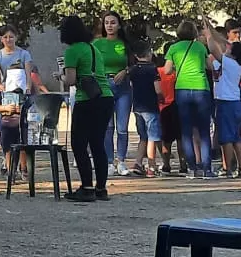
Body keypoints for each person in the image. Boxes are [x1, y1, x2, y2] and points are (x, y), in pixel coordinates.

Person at [59, 15, 113, 202]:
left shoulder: (72, 51)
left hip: (86, 99)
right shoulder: (94, 48)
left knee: (79, 144)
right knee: (98, 143)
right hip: (105, 96)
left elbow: (71, 79)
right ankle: (101, 188)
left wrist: (61, 76)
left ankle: (86, 187)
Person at [163, 20, 214, 179]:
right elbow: (209, 66)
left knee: (186, 131)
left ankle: (191, 168)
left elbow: (167, 69)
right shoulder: (200, 47)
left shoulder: (173, 48)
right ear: (193, 33)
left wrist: (178, 68)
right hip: (201, 88)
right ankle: (207, 168)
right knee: (204, 130)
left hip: (182, 89)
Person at [0, 28, 37, 176]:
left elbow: (29, 73)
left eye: (11, 37)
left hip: (22, 93)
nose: (8, 39)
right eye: (5, 37)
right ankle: (9, 164)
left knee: (23, 131)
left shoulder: (24, 54)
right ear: (1, 39)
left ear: (16, 37)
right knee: (5, 131)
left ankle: (24, 167)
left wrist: (28, 87)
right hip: (6, 95)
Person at [91, 12, 132, 175]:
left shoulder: (125, 44)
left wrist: (125, 71)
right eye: (106, 22)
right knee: (108, 127)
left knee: (122, 127)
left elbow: (135, 64)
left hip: (123, 87)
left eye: (113, 22)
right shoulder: (97, 44)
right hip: (104, 86)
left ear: (119, 25)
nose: (109, 25)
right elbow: (90, 63)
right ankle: (108, 161)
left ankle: (121, 161)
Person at [209, 26, 241, 177]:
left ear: (233, 53)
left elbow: (213, 48)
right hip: (234, 103)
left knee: (226, 138)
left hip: (226, 103)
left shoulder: (231, 64)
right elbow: (211, 62)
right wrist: (211, 29)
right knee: (236, 137)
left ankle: (227, 169)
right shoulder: (230, 64)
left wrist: (208, 35)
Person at [126, 41, 163, 176]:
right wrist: (161, 97)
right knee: (152, 137)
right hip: (151, 106)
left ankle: (138, 163)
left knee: (143, 137)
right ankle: (151, 166)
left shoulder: (133, 69)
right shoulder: (153, 69)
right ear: (150, 53)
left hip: (137, 106)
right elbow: (157, 89)